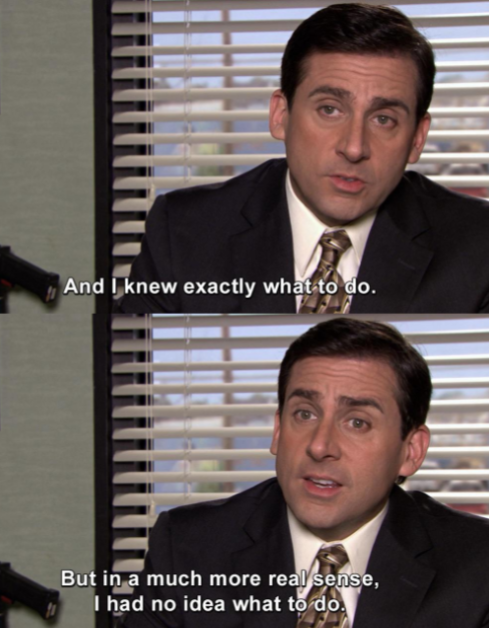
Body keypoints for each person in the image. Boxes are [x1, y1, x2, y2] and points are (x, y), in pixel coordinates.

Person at [117, 3, 489, 314]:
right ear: (281, 115)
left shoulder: (478, 248)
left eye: (383, 119)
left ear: (417, 138)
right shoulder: (184, 233)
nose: (355, 147)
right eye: (329, 109)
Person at [118, 319, 489, 627]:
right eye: (305, 414)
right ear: (278, 431)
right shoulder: (188, 549)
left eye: (357, 422)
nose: (319, 445)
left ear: (411, 452)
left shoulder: (477, 565)